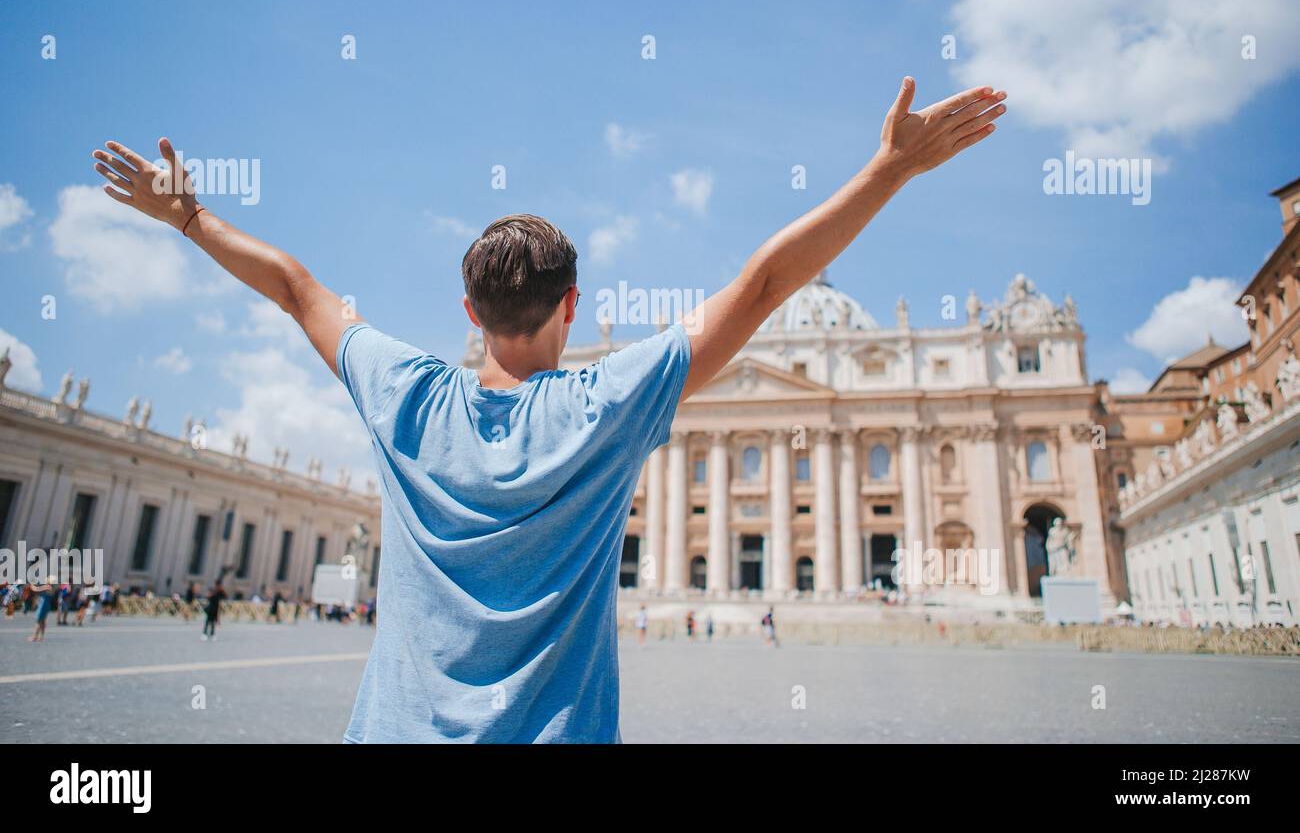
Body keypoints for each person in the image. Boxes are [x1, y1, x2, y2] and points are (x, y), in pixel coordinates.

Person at [92, 77, 1005, 743]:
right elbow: (764, 283)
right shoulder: (609, 404)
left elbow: (296, 290)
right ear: (573, 307)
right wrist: (891, 168)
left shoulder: (400, 390)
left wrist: (187, 219)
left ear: (467, 313)